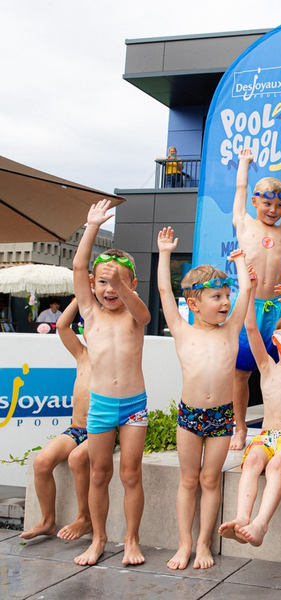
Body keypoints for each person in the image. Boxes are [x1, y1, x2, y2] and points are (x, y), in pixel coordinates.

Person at [156, 227, 252, 570]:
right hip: (190, 416)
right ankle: (183, 544)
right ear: (193, 304)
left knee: (210, 480)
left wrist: (240, 262)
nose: (225, 302)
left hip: (222, 416)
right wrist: (165, 253)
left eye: (226, 295)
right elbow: (165, 290)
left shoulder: (230, 330)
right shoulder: (183, 331)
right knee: (188, 479)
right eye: (217, 297)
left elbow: (246, 293)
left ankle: (202, 543)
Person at [218, 271, 281, 547]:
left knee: (276, 466)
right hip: (265, 437)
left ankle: (261, 524)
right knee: (252, 462)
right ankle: (242, 518)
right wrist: (251, 291)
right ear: (276, 338)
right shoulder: (266, 365)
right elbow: (251, 329)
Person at [72, 199, 151, 566]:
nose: (110, 289)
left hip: (133, 405)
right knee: (99, 474)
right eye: (103, 282)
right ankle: (99, 538)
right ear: (92, 284)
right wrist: (91, 227)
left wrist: (124, 288)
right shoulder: (89, 313)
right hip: (101, 405)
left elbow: (144, 311)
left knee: (131, 474)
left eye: (118, 283)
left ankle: (131, 540)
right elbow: (78, 264)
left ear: (132, 284)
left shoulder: (136, 317)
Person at [230, 131, 281, 450]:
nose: (273, 210)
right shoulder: (244, 223)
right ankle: (240, 427)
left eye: (278, 205)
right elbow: (241, 188)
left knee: (278, 371)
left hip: (274, 308)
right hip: (247, 306)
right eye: (267, 204)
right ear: (256, 202)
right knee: (241, 373)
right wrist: (244, 162)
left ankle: (275, 426)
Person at [20, 299, 91, 541]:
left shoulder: (113, 357)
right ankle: (47, 520)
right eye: (87, 327)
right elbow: (62, 326)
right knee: (41, 462)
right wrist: (80, 297)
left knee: (77, 459)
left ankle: (85, 518)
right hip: (76, 429)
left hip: (101, 430)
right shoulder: (82, 354)